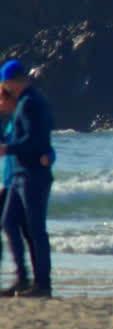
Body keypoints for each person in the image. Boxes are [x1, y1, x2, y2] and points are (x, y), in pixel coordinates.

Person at [0, 60, 57, 298]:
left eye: (4, 84)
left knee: (35, 229)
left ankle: (42, 284)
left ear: (11, 82)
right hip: (21, 174)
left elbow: (35, 141)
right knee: (10, 222)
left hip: (32, 174)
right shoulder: (27, 102)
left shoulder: (31, 103)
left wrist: (7, 149)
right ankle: (23, 280)